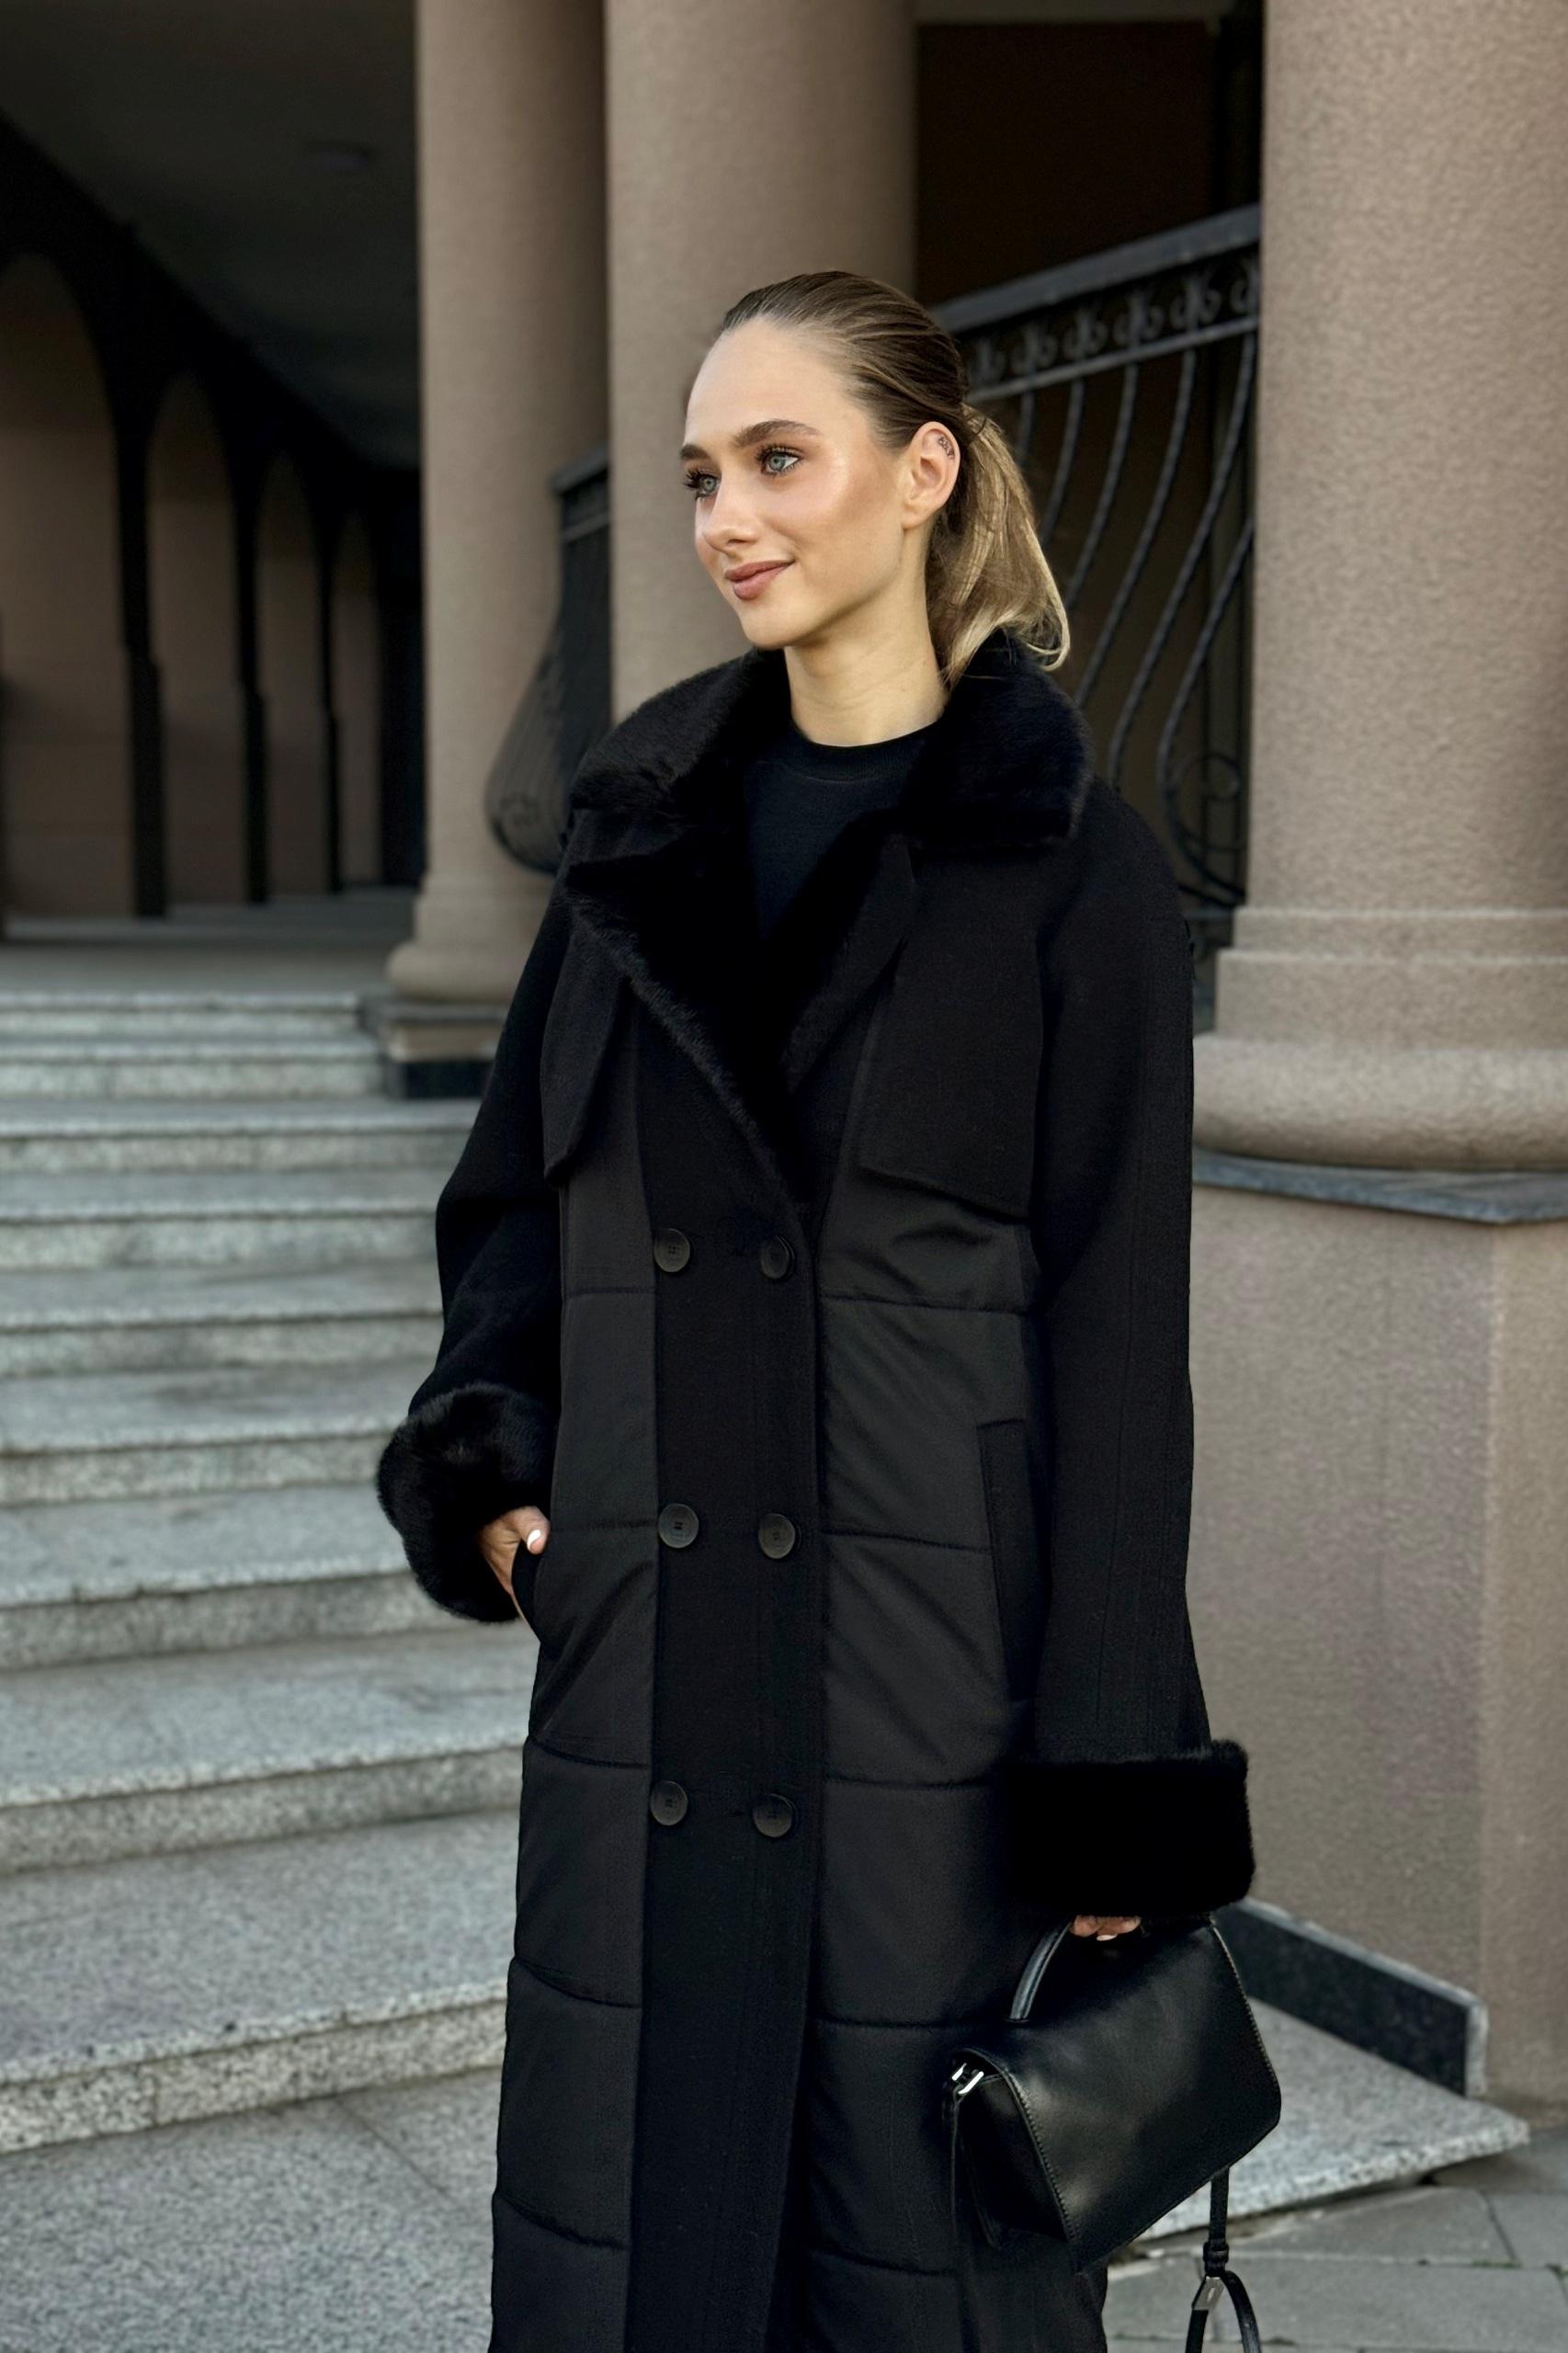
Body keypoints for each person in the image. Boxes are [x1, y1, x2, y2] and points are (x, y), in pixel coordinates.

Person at [376, 267, 1256, 2353]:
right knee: (640, 2231)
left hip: (922, 1682)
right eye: (701, 475)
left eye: (778, 457)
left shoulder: (1071, 867)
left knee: (911, 2249)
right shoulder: (636, 829)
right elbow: (511, 1198)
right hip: (652, 1660)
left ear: (922, 470)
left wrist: (1110, 1753)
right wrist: (494, 1471)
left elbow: (1118, 1342)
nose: (728, 518)